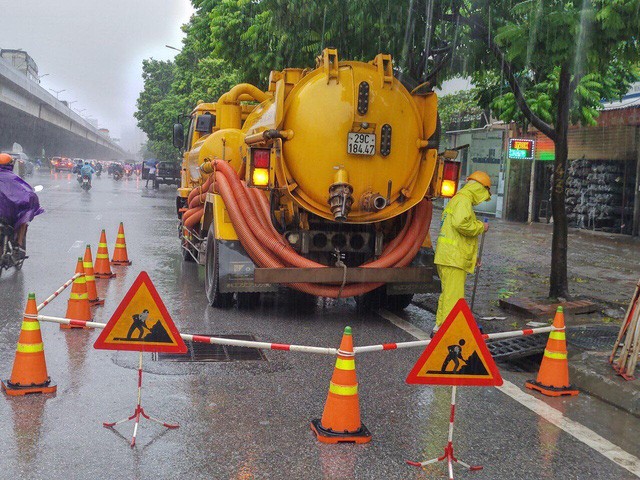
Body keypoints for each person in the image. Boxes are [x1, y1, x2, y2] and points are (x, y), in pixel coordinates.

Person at [433, 171, 491, 337]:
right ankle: (449, 333)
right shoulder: (464, 201)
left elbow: (458, 236)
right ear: (480, 189)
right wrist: (481, 227)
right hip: (453, 259)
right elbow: (461, 224)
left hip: (447, 256)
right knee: (455, 299)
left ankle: (439, 327)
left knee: (447, 295)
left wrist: (473, 259)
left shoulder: (457, 200)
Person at [0, 153, 44, 252]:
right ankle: (18, 245)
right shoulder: (14, 178)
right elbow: (27, 192)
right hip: (9, 215)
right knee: (23, 220)